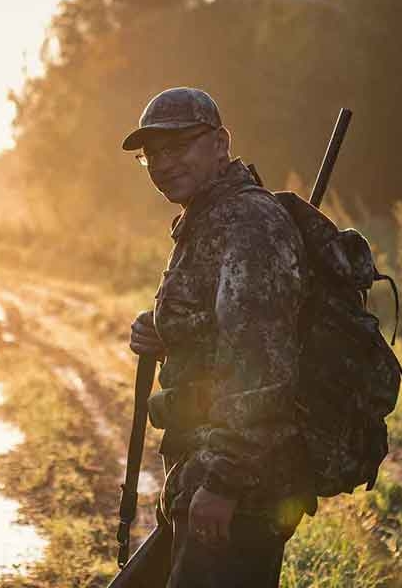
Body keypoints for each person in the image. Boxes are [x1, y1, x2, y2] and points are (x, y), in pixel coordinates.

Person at [124, 87, 315, 588]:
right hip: (200, 470)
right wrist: (165, 329)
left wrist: (224, 482)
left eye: (179, 145)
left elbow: (263, 367)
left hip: (240, 488)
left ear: (220, 144)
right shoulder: (207, 218)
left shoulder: (248, 223)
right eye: (153, 154)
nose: (164, 163)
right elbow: (224, 329)